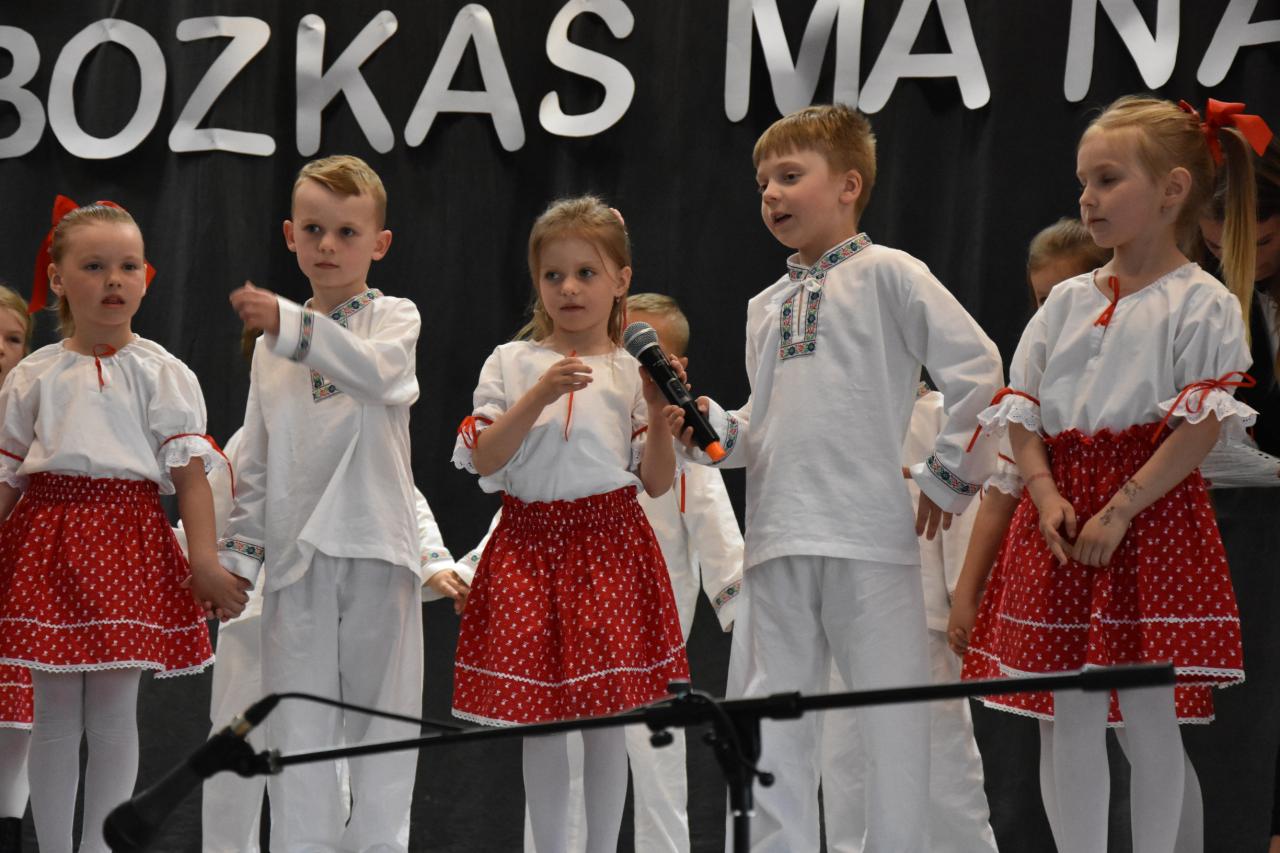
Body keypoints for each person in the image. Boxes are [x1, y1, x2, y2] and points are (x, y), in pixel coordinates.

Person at [667, 103, 1003, 852]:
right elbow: (761, 429)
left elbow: (980, 368)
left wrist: (948, 476)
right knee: (766, 727)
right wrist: (713, 428)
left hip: (867, 535)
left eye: (790, 175)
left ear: (850, 184)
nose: (772, 194)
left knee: (892, 725)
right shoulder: (765, 306)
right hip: (777, 538)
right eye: (763, 182)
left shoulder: (890, 273)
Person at [961, 95, 1268, 853]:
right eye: (1083, 183)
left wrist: (1124, 505)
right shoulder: (1065, 302)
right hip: (1063, 516)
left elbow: (1200, 424)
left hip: (1150, 518)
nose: (1088, 199)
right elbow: (1024, 410)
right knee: (1067, 709)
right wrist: (1045, 493)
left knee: (1148, 710)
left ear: (1171, 190)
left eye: (1107, 180)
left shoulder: (1200, 302)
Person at [0, 198, 246, 853]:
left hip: (127, 541)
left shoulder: (163, 373)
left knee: (112, 713)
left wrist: (203, 560)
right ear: (58, 279)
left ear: (145, 278)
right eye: (94, 266)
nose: (114, 279)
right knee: (54, 714)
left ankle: (102, 847)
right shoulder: (33, 375)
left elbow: (190, 478)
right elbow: (8, 477)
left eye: (128, 266)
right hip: (47, 541)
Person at [451, 196, 690, 853]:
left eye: (587, 272)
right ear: (537, 283)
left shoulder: (629, 370)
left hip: (608, 546)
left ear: (621, 280)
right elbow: (486, 459)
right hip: (529, 546)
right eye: (553, 275)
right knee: (542, 721)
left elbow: (657, 480)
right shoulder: (510, 361)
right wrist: (540, 392)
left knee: (607, 720)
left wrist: (656, 410)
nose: (569, 288)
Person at [193, 328, 471, 853]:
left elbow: (400, 498)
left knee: (321, 742)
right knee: (235, 736)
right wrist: (201, 566)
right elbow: (215, 513)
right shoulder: (248, 441)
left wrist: (432, 563)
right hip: (257, 610)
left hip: (331, 604)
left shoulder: (359, 430)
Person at [221, 155, 424, 853]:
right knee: (297, 739)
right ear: (290, 235)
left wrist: (289, 323)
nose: (328, 245)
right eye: (313, 229)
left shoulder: (394, 317)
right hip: (294, 558)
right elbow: (256, 462)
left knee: (382, 735)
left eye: (346, 231)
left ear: (380, 243)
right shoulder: (270, 348)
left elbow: (377, 375)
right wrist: (239, 562)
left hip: (377, 545)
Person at [820, 381, 997, 853]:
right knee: (845, 763)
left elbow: (964, 506)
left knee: (942, 762)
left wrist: (962, 597)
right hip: (841, 614)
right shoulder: (832, 408)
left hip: (921, 614)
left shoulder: (939, 412)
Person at [0, 285, 34, 853]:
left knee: (17, 721)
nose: (1, 349)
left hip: (18, 588)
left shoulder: (34, 419)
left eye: (13, 338)